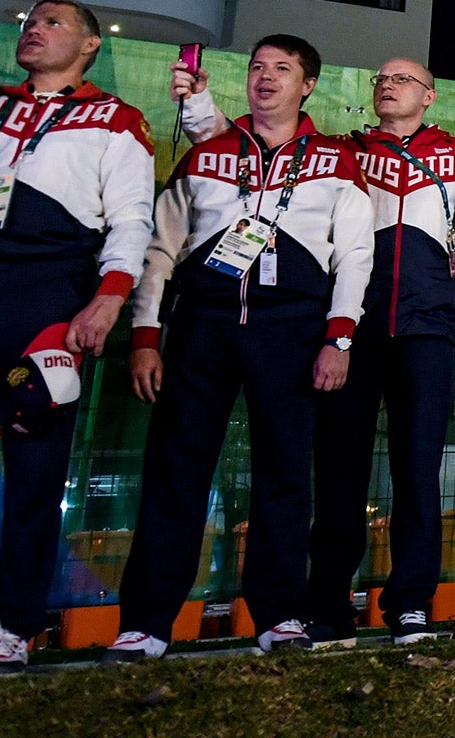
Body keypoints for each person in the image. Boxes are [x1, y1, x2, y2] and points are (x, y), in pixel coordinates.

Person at [107, 35, 372, 661]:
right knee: (176, 469)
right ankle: (146, 622)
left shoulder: (336, 159)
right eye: (257, 67)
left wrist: (339, 337)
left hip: (294, 330)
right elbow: (159, 250)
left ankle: (279, 615)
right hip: (202, 326)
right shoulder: (208, 153)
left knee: (284, 475)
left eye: (283, 69)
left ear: (307, 85)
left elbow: (355, 258)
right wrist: (147, 335)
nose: (266, 77)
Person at [0, 0, 153, 673]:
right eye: (28, 22)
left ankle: (10, 625)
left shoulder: (116, 121)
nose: (34, 29)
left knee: (34, 476)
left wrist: (108, 301)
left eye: (53, 22)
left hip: (46, 305)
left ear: (91, 45)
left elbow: (133, 220)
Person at [307, 60, 455, 646]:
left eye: (401, 79)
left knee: (418, 471)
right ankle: (327, 608)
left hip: (427, 329)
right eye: (380, 78)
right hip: (355, 325)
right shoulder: (344, 151)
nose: (386, 85)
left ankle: (410, 605)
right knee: (339, 470)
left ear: (429, 95)